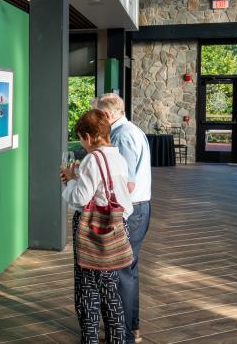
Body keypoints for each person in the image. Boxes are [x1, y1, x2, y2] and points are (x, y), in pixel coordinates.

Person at [60, 109, 134, 344]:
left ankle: (90, 339)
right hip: (118, 228)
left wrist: (70, 180)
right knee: (111, 289)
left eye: (82, 138)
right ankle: (118, 339)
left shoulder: (93, 158)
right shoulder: (118, 157)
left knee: (87, 291)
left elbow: (81, 199)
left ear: (89, 137)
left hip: (93, 231)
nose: (83, 143)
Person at [93, 93, 151, 344]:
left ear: (107, 115)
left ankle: (125, 335)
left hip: (131, 211)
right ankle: (131, 329)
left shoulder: (122, 135)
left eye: (96, 115)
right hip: (138, 208)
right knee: (129, 271)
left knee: (122, 273)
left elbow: (124, 183)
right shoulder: (129, 130)